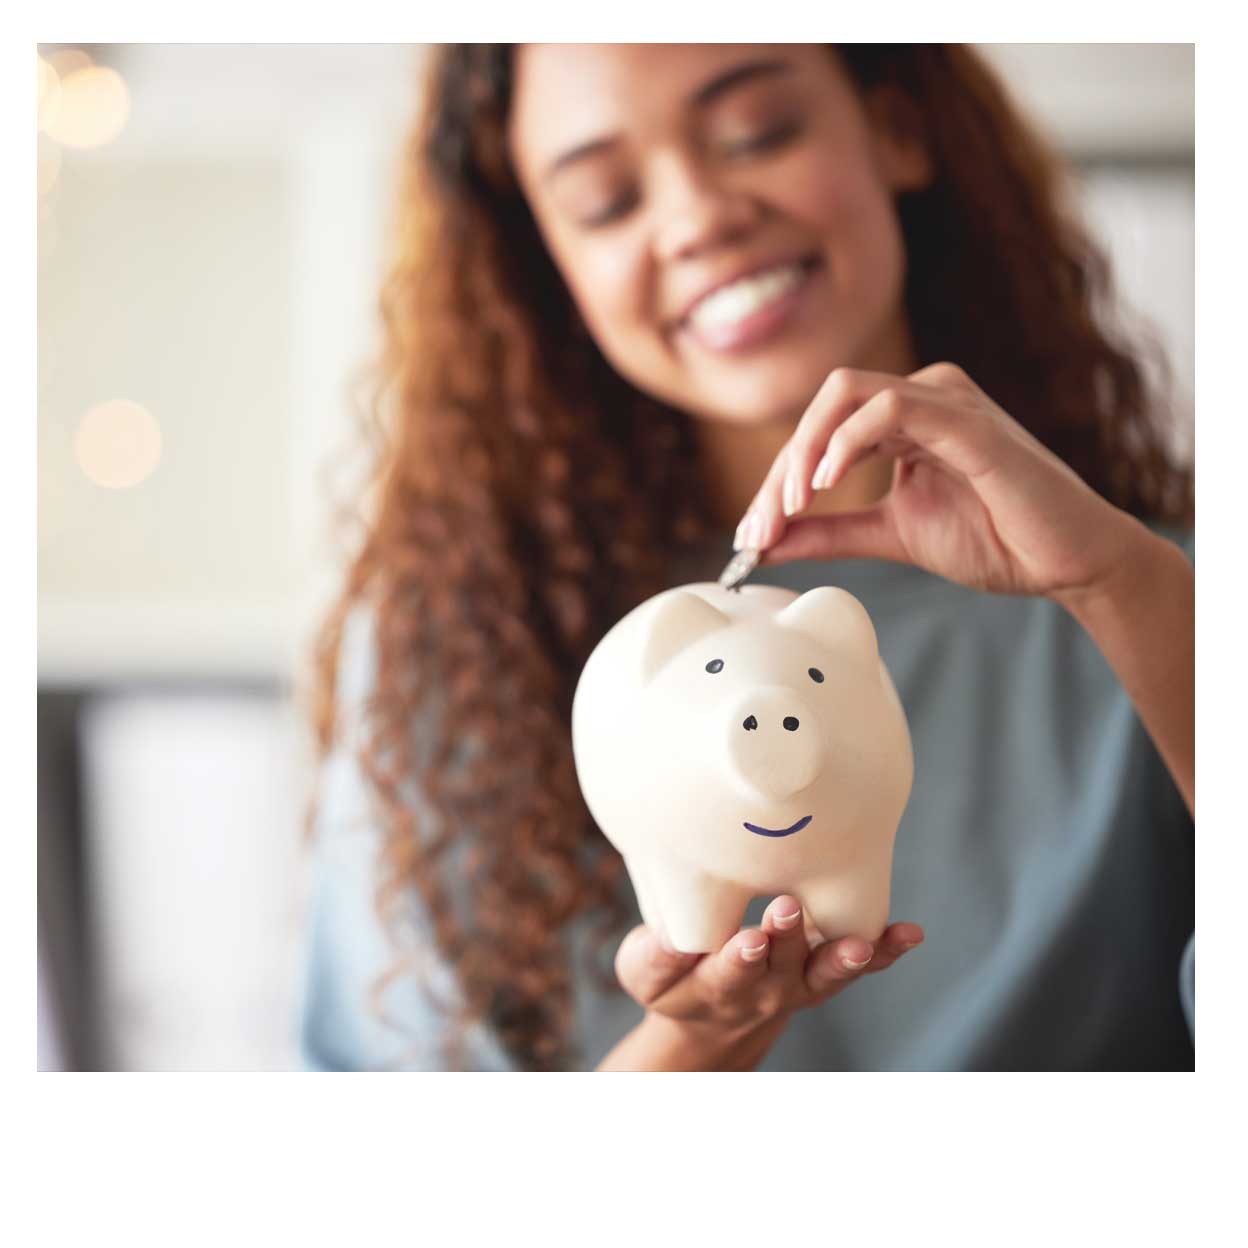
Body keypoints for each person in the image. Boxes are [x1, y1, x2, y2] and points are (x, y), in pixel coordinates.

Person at [298, 44, 1195, 1072]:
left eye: (757, 133)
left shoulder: (1168, 605)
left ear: (896, 130)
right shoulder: (449, 657)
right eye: (604, 201)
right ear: (548, 262)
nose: (696, 217)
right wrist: (691, 1049)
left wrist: (1127, 589)